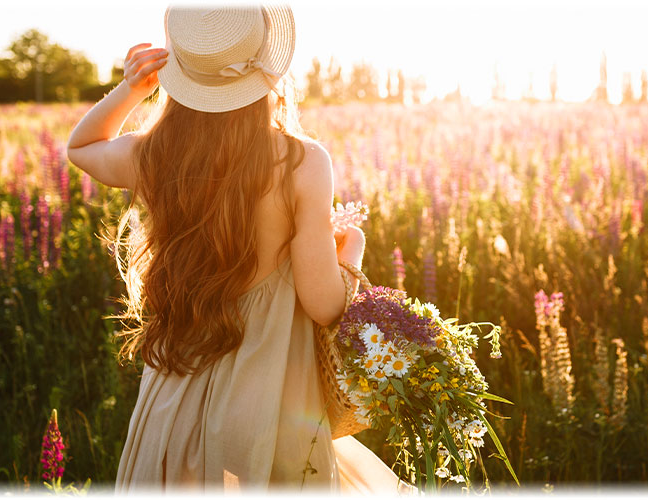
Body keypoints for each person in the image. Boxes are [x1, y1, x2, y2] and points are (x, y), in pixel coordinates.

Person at [66, 4, 409, 494]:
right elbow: (325, 304)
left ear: (179, 71)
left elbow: (82, 148)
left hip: (173, 392)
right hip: (269, 400)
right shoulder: (302, 161)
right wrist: (350, 251)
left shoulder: (154, 155)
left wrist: (131, 90)